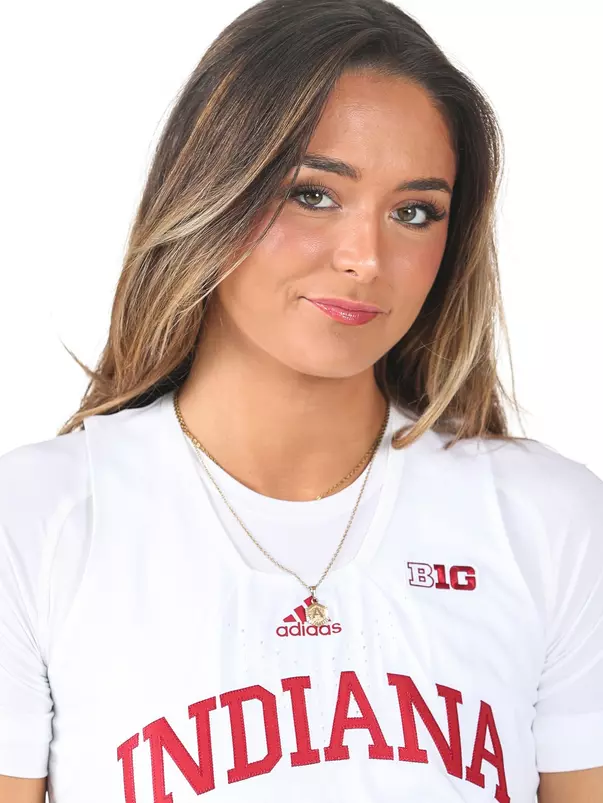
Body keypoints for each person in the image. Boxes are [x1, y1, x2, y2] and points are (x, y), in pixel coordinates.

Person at [1, 0, 602, 801]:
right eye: (313, 194)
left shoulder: (545, 520)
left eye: (414, 212)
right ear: (210, 187)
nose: (365, 257)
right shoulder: (38, 522)